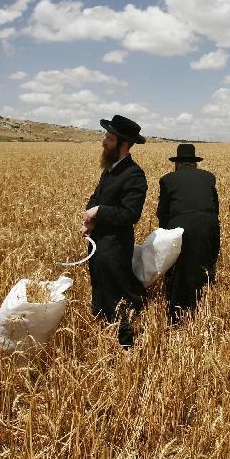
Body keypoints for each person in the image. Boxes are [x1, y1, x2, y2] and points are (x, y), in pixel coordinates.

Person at [81, 115, 148, 347]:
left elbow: (130, 215)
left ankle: (127, 347)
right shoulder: (109, 170)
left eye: (109, 138)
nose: (103, 141)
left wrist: (98, 212)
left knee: (118, 297)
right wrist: (89, 218)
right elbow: (95, 198)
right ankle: (106, 340)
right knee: (101, 292)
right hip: (99, 244)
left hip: (115, 248)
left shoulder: (135, 175)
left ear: (124, 145)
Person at [156, 144, 220, 325]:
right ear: (195, 163)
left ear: (177, 164)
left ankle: (177, 316)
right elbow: (215, 208)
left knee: (178, 270)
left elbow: (163, 212)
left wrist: (166, 235)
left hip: (181, 227)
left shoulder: (167, 180)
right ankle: (202, 307)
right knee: (205, 265)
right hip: (209, 226)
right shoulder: (209, 178)